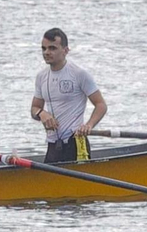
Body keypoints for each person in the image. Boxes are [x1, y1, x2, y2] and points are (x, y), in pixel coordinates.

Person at [31, 28, 106, 163]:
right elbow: (34, 108)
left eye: (52, 48)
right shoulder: (41, 77)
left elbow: (101, 105)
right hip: (53, 144)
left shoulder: (79, 74)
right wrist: (42, 113)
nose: (46, 52)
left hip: (76, 142)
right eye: (44, 49)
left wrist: (88, 125)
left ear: (65, 51)